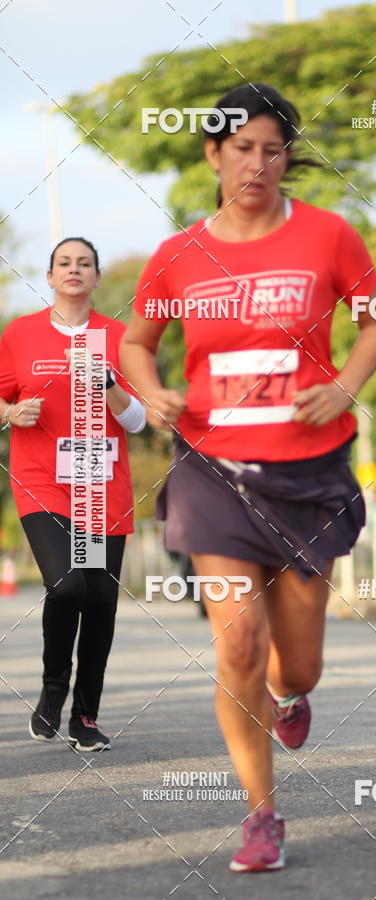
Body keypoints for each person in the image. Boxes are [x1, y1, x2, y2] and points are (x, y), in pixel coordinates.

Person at [120, 83, 376, 871]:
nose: (257, 164)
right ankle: (261, 815)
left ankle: (291, 692)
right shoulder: (178, 254)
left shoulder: (328, 235)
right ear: (214, 153)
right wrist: (152, 391)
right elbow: (137, 342)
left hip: (309, 471)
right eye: (242, 148)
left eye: (273, 151)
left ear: (286, 159)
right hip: (214, 469)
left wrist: (344, 386)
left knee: (295, 662)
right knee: (239, 643)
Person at [0, 238, 146, 751]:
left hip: (101, 488)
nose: (74, 269)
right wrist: (9, 413)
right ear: (50, 276)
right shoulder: (20, 334)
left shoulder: (120, 336)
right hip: (43, 481)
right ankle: (52, 688)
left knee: (100, 600)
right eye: (64, 262)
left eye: (85, 263)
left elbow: (140, 420)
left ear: (97, 277)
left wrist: (108, 384)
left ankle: (85, 717)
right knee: (67, 586)